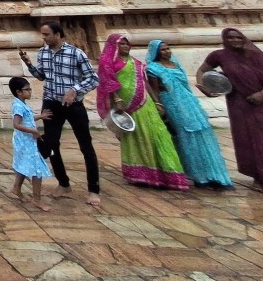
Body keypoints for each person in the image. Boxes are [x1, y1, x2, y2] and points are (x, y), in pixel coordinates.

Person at [19, 21, 102, 205]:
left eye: (46, 34)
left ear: (57, 34)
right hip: (51, 102)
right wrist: (29, 64)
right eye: (42, 34)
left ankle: (93, 189)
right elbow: (42, 76)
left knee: (85, 146)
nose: (44, 38)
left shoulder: (76, 53)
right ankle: (63, 183)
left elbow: (93, 78)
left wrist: (75, 89)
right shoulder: (43, 53)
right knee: (51, 143)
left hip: (73, 104)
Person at [97, 34, 188, 190]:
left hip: (145, 102)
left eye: (127, 43)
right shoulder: (108, 62)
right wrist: (117, 99)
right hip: (126, 104)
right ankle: (141, 174)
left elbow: (144, 81)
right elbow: (108, 82)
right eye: (122, 44)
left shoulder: (135, 62)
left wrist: (156, 101)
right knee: (136, 137)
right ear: (114, 46)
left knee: (159, 133)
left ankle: (168, 173)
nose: (126, 46)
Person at [145, 39, 231, 189]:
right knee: (186, 135)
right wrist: (159, 107)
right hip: (172, 103)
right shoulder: (153, 68)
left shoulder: (176, 65)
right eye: (162, 50)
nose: (167, 52)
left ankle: (214, 173)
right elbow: (155, 90)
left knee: (203, 132)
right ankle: (198, 176)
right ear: (156, 52)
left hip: (189, 102)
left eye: (168, 48)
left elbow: (185, 85)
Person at [197, 27, 263, 190]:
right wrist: (203, 87)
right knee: (246, 139)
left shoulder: (256, 56)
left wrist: (261, 94)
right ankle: (258, 176)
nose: (235, 40)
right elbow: (202, 70)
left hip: (260, 101)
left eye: (238, 37)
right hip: (238, 103)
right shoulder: (219, 56)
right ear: (225, 40)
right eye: (230, 38)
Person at [8, 77, 53, 211]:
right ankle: (36, 199)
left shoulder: (22, 104)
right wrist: (33, 131)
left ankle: (16, 189)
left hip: (26, 141)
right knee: (37, 169)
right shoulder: (18, 105)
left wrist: (40, 116)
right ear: (18, 92)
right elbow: (16, 124)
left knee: (24, 165)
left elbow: (27, 118)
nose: (30, 92)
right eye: (27, 89)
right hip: (26, 142)